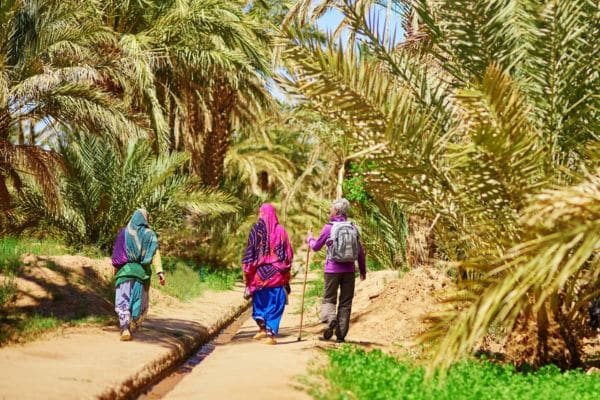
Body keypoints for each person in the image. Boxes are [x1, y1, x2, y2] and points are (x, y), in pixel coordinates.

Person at [307, 198, 366, 343]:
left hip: (332, 269)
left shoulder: (329, 228)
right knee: (346, 302)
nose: (330, 211)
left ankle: (331, 319)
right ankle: (340, 336)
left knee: (329, 298)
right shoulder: (353, 227)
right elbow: (360, 252)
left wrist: (309, 239)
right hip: (349, 271)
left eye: (331, 209)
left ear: (337, 211)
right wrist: (363, 271)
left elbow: (316, 247)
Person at [242, 203, 293, 345]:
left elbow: (249, 251)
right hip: (277, 275)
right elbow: (288, 253)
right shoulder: (281, 230)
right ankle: (270, 335)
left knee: (260, 302)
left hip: (259, 276)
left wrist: (247, 270)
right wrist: (286, 268)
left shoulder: (256, 230)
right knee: (275, 304)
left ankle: (262, 328)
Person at [111, 209, 165, 341]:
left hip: (125, 272)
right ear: (146, 219)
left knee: (122, 301)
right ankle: (134, 323)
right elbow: (155, 254)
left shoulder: (124, 233)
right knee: (140, 302)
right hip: (142, 274)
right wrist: (160, 272)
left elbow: (117, 255)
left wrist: (116, 271)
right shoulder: (150, 235)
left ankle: (124, 328)